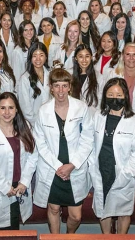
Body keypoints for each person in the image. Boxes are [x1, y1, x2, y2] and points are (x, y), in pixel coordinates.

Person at [33, 68, 94, 234]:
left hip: (75, 166)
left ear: (70, 87)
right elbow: (40, 141)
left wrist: (72, 165)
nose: (60, 90)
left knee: (76, 216)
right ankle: (55, 238)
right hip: (52, 168)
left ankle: (69, 236)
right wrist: (57, 166)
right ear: (51, 88)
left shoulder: (81, 108)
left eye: (64, 86)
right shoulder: (43, 111)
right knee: (53, 209)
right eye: (56, 86)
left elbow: (88, 139)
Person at [89, 77, 135, 234]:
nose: (115, 99)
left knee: (123, 210)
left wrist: (127, 172)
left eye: (119, 95)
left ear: (126, 97)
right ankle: (106, 237)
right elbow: (90, 144)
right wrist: (91, 166)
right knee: (103, 208)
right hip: (102, 169)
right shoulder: (98, 117)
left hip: (122, 171)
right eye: (111, 95)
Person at [0, 92, 38, 230]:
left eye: (11, 107)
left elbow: (33, 156)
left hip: (19, 187)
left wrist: (24, 182)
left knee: (14, 228)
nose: (7, 112)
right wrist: (5, 187)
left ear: (16, 110)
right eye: (3, 108)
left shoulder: (25, 127)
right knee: (0, 231)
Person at [18, 42, 51, 125]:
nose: (38, 59)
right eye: (34, 55)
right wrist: (38, 123)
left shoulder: (50, 75)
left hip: (50, 120)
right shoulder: (25, 79)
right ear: (30, 58)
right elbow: (25, 108)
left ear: (46, 57)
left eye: (41, 55)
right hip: (33, 124)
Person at [70, 44, 100, 114]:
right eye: (80, 56)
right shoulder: (69, 75)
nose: (84, 60)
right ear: (75, 58)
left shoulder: (99, 77)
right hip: (73, 114)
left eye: (87, 56)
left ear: (91, 57)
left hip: (92, 115)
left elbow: (100, 100)